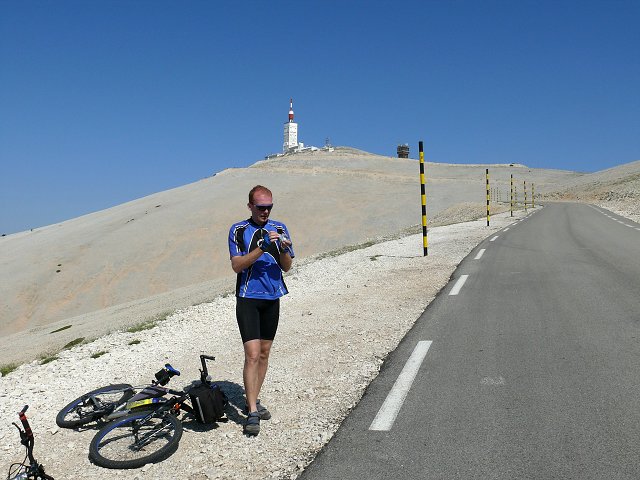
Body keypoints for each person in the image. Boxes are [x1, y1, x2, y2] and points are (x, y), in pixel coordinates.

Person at [228, 185, 294, 435]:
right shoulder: (238, 230)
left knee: (265, 354)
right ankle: (253, 411)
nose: (265, 212)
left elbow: (287, 267)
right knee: (252, 354)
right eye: (260, 207)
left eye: (269, 207)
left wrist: (284, 249)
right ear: (250, 206)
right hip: (248, 297)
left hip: (272, 296)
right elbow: (237, 266)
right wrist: (262, 248)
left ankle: (251, 398)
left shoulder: (280, 228)